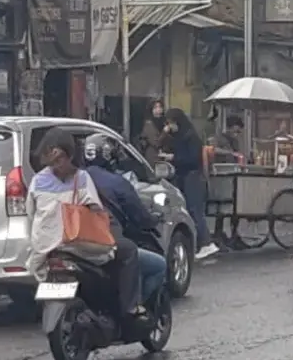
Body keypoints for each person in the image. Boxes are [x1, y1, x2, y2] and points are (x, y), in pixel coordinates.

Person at [25, 128, 145, 318]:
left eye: (60, 160)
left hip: (45, 249)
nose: (57, 166)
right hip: (77, 246)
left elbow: (30, 215)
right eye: (54, 161)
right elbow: (96, 211)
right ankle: (130, 308)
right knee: (128, 250)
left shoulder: (37, 181)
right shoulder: (81, 178)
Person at [82, 133, 167, 303]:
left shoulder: (72, 180)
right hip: (103, 244)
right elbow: (139, 215)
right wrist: (154, 219)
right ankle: (135, 307)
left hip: (69, 244)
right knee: (158, 265)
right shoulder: (117, 183)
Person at [163, 108, 219, 260]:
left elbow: (192, 160)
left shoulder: (191, 137)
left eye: (171, 123)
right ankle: (202, 243)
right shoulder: (180, 137)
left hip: (193, 178)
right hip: (187, 177)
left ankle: (207, 243)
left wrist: (173, 158)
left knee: (195, 210)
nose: (170, 126)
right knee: (192, 210)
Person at [138, 98, 168, 166]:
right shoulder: (149, 124)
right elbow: (156, 143)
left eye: (160, 107)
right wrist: (164, 132)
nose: (158, 109)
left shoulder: (164, 121)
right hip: (153, 157)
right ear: (151, 110)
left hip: (164, 157)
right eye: (155, 107)